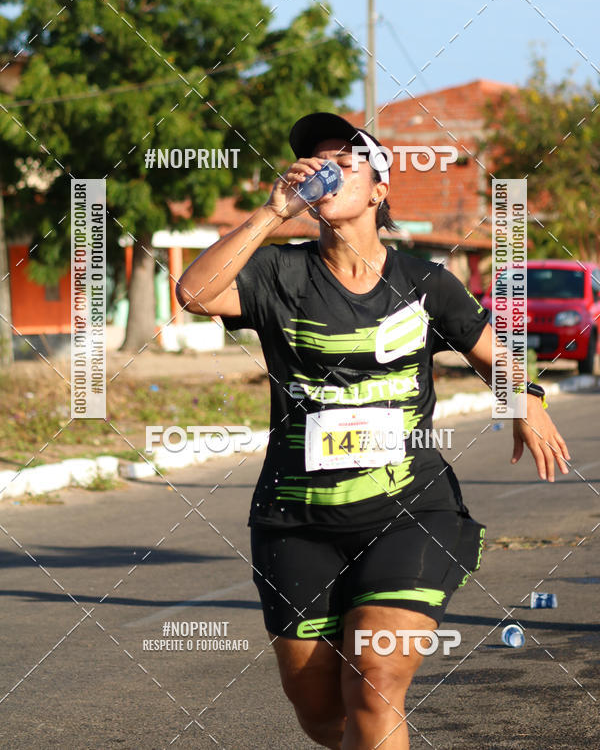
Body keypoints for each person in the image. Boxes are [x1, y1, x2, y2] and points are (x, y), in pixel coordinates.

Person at [176, 112, 570, 750]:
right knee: (322, 714)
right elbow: (195, 293)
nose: (323, 168)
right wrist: (273, 211)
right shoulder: (280, 273)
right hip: (296, 520)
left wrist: (528, 400)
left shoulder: (424, 283)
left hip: (410, 512)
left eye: (346, 158)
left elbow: (495, 356)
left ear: (380, 190)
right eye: (313, 160)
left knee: (375, 678)